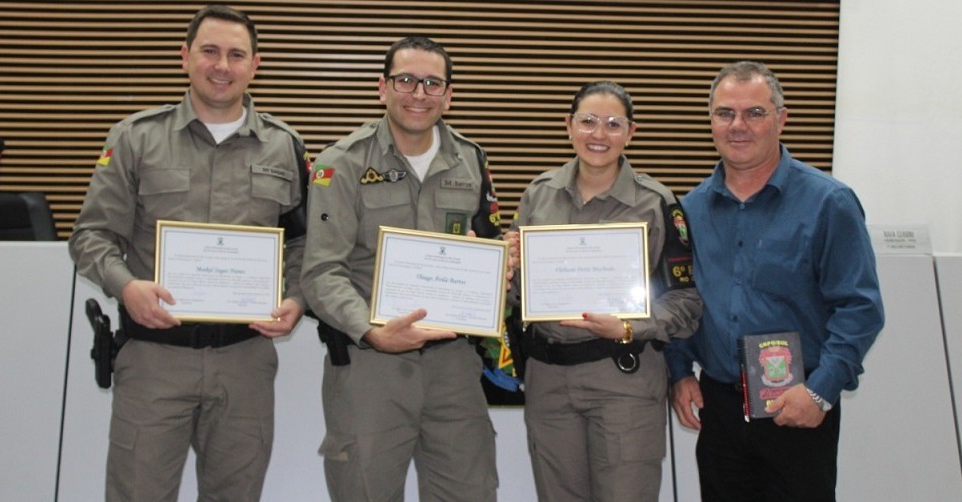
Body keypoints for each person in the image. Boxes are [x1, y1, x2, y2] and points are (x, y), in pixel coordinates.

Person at [68, 5, 309, 500]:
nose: (222, 65)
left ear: (255, 65)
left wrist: (297, 299)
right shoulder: (136, 138)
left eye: (236, 54)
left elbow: (304, 243)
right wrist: (126, 287)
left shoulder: (284, 147)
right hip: (155, 358)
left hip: (245, 360)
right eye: (210, 51)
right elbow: (91, 235)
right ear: (185, 57)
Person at [664, 61, 885, 501]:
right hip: (720, 408)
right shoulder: (688, 210)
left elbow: (860, 308)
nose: (738, 126)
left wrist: (821, 393)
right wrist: (678, 371)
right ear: (711, 121)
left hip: (797, 403)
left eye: (755, 113)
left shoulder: (829, 203)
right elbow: (680, 296)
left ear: (781, 119)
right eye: (725, 113)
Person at [300, 36, 502, 501]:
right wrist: (371, 331)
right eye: (405, 80)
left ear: (449, 95)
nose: (418, 93)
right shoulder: (341, 163)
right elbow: (321, 272)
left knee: (470, 491)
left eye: (432, 83)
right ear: (382, 87)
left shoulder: (470, 160)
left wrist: (500, 273)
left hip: (453, 366)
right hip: (371, 366)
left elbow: (488, 248)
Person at [507, 80, 702, 501]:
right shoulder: (538, 195)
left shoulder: (657, 203)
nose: (599, 135)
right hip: (548, 380)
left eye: (614, 124)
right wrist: (506, 267)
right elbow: (517, 296)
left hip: (623, 378)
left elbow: (686, 304)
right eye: (588, 122)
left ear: (631, 133)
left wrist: (629, 327)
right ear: (568, 126)